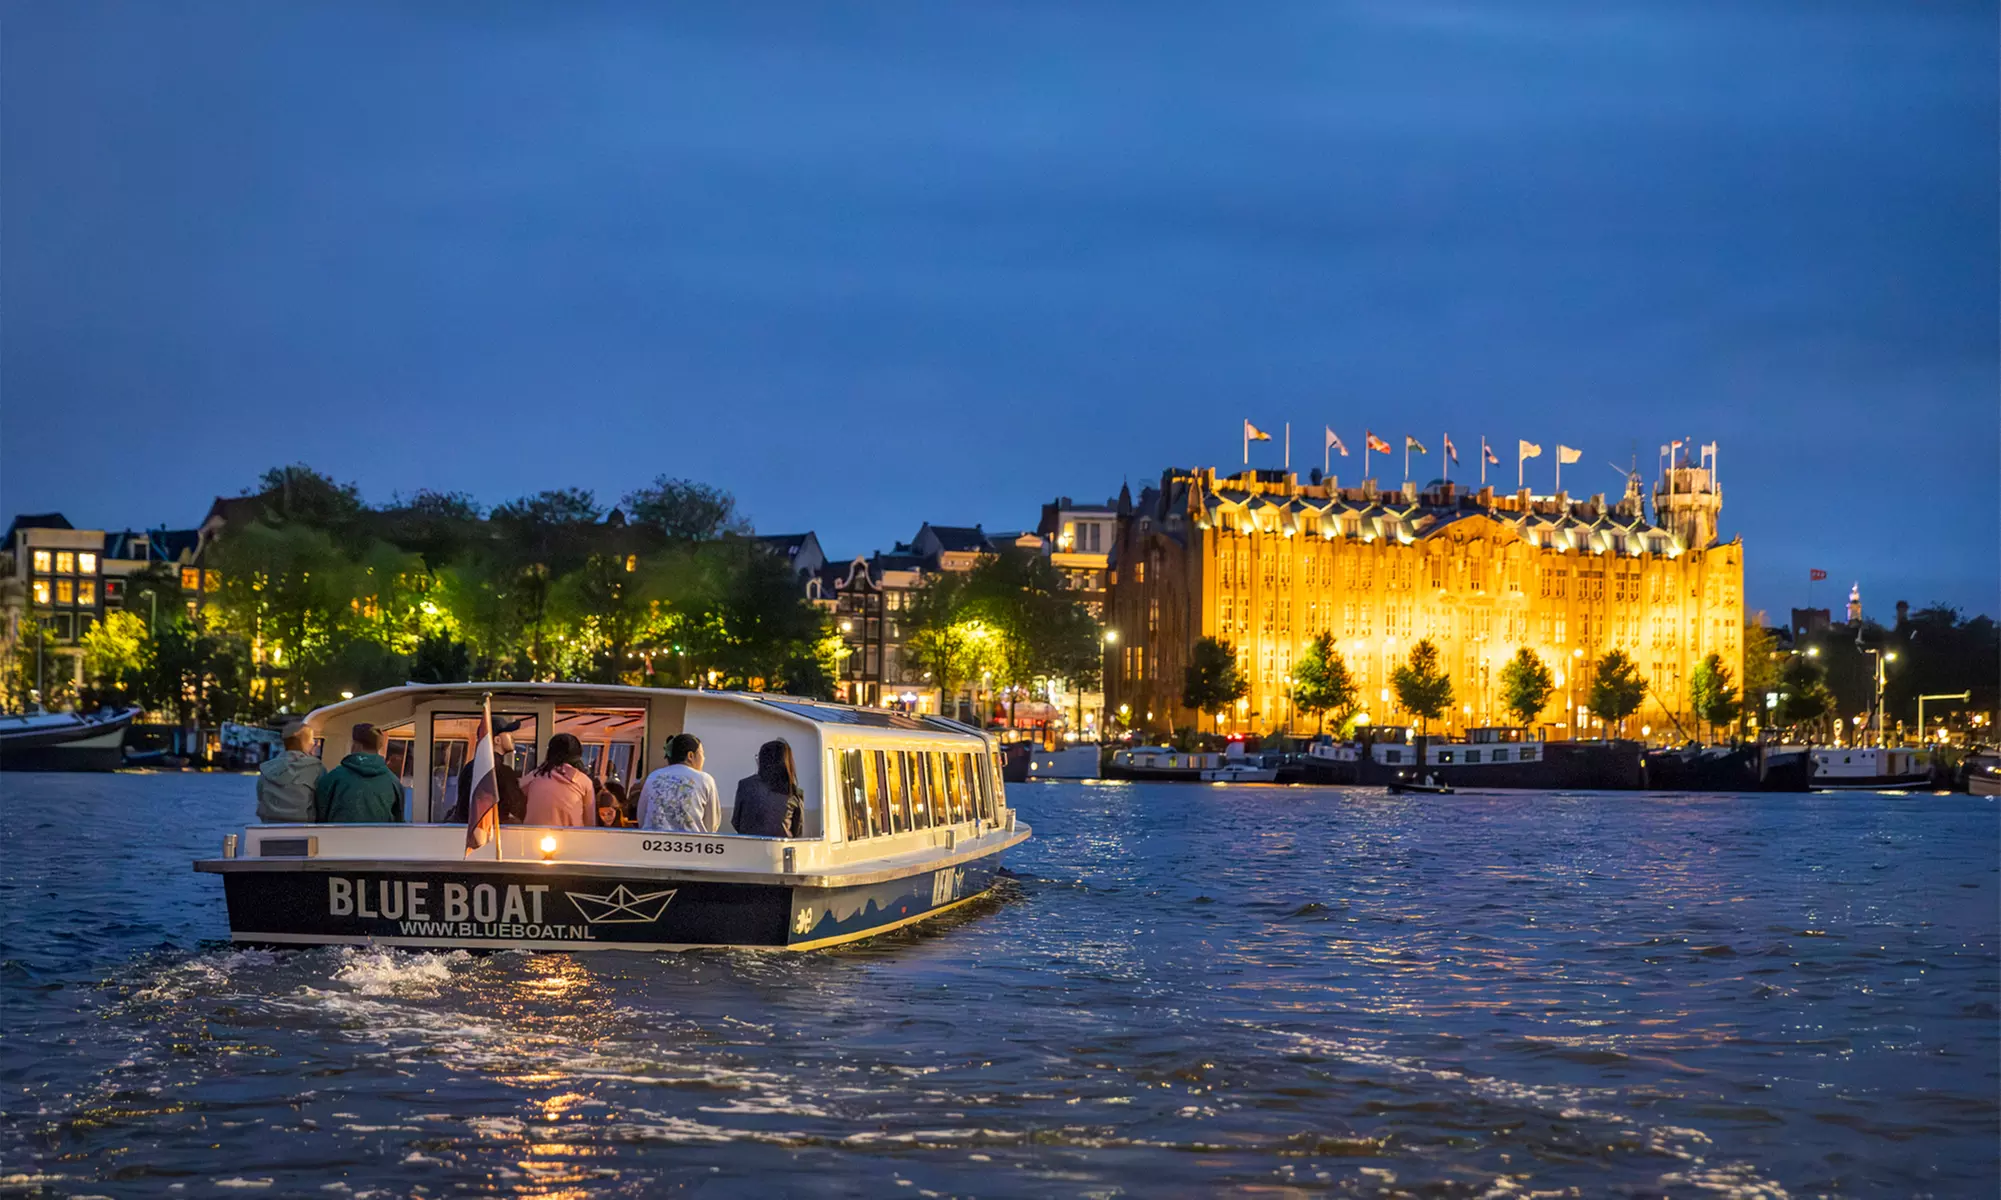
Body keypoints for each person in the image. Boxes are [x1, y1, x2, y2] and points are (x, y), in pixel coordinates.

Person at [314, 723, 405, 823]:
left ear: (356, 745)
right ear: (379, 747)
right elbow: (398, 824)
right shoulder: (394, 782)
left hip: (340, 838)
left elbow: (319, 820)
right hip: (379, 838)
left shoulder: (332, 778)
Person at [443, 718, 527, 825]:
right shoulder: (503, 772)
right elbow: (518, 808)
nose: (512, 737)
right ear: (497, 740)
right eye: (508, 734)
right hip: (494, 832)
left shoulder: (469, 768)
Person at [637, 733, 721, 833]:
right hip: (692, 844)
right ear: (690, 755)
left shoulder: (653, 777)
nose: (704, 758)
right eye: (702, 753)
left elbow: (641, 816)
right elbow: (711, 823)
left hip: (654, 843)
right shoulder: (704, 779)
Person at [731, 738, 804, 838]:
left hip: (748, 846)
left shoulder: (745, 785)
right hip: (780, 849)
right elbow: (797, 831)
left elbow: (736, 822)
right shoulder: (794, 792)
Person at [255, 721, 324, 823]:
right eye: (312, 739)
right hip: (304, 828)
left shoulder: (267, 768)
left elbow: (260, 796)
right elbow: (324, 802)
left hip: (269, 827)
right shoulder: (316, 768)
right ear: (305, 741)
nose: (314, 743)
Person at [521, 732, 594, 826]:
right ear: (578, 756)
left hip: (532, 836)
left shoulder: (534, 776)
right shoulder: (584, 781)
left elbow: (519, 798)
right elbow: (590, 823)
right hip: (574, 837)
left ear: (549, 752)